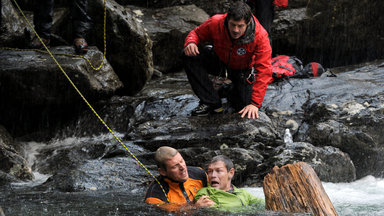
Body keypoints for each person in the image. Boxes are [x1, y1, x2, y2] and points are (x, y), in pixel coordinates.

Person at [183, 1, 272, 119]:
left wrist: (255, 104)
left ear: (248, 22)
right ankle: (211, 102)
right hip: (219, 61)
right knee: (188, 54)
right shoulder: (216, 22)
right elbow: (196, 33)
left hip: (242, 71)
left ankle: (227, 89)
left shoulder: (260, 36)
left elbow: (264, 70)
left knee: (244, 107)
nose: (235, 30)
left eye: (240, 26)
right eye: (232, 25)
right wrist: (191, 42)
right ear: (227, 20)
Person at [144, 146, 214, 209]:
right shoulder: (155, 197)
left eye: (181, 161)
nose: (182, 167)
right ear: (162, 172)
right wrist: (195, 207)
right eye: (175, 166)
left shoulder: (199, 174)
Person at [194, 155, 264, 211]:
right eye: (210, 171)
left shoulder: (243, 193)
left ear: (231, 173)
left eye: (218, 171)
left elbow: (264, 204)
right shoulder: (205, 193)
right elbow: (216, 212)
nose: (213, 175)